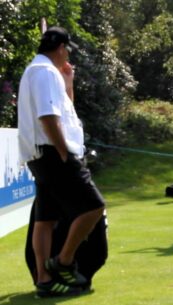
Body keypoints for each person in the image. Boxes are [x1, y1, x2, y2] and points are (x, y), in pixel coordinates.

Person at [17, 26, 105, 298]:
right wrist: (65, 153)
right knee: (94, 206)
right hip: (54, 153)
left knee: (46, 218)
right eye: (67, 49)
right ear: (60, 48)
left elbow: (65, 113)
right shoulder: (44, 73)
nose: (68, 54)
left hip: (40, 156)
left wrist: (68, 83)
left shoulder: (42, 71)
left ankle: (44, 280)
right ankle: (63, 261)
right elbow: (48, 117)